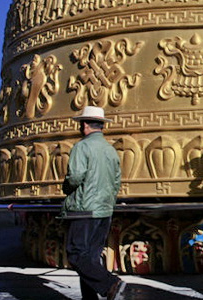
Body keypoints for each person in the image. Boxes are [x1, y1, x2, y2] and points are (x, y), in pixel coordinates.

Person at [60, 106, 126, 300]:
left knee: (76, 254)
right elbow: (116, 181)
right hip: (104, 210)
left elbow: (75, 177)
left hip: (84, 209)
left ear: (85, 125)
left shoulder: (82, 147)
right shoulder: (110, 149)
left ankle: (110, 283)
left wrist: (66, 186)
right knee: (91, 258)